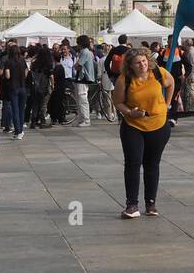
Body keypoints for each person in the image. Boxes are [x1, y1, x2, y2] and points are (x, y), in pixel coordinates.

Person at [112, 46, 174, 219]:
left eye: (144, 61)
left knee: (152, 164)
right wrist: (130, 112)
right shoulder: (125, 79)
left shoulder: (158, 73)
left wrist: (167, 105)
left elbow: (171, 83)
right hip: (133, 125)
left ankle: (151, 204)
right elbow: (118, 102)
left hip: (159, 125)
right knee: (133, 163)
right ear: (130, 65)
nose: (142, 65)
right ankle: (132, 205)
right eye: (138, 63)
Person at [0, 43, 28, 140]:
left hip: (13, 88)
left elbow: (7, 75)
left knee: (15, 110)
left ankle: (18, 131)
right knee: (21, 110)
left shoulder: (8, 62)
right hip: (22, 87)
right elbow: (26, 73)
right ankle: (21, 129)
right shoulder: (22, 60)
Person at [29, 42, 54, 129]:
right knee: (43, 103)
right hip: (44, 86)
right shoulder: (48, 64)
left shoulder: (35, 63)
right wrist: (53, 85)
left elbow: (31, 69)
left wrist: (35, 57)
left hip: (35, 86)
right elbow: (51, 76)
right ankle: (42, 121)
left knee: (35, 104)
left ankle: (33, 121)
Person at [73, 35, 97, 126]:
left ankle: (86, 119)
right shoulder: (86, 52)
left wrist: (76, 65)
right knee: (80, 99)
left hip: (83, 77)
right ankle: (81, 119)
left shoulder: (84, 52)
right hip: (82, 77)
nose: (77, 45)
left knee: (82, 98)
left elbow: (78, 65)